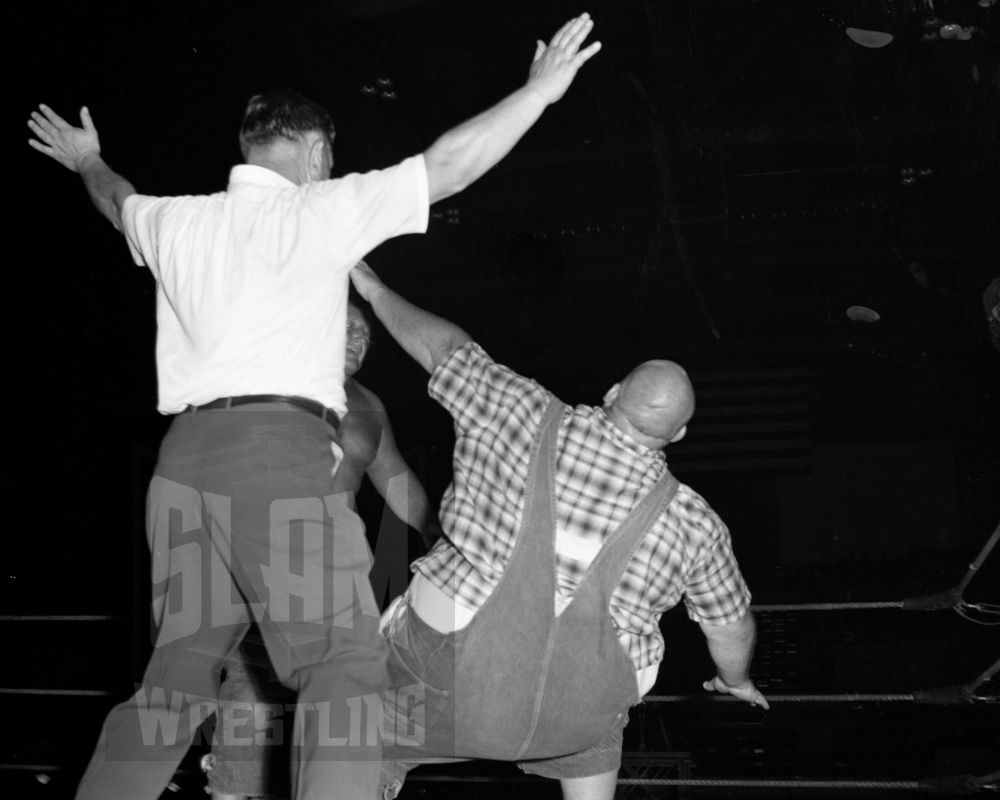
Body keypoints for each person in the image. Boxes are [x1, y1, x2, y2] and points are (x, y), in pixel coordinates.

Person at [26, 14, 601, 800]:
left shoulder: (179, 219)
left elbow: (115, 199)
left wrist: (86, 159)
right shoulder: (315, 209)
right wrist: (538, 93)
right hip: (279, 460)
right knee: (342, 663)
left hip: (183, 467)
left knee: (178, 674)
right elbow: (449, 167)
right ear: (317, 152)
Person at [347, 261, 769, 800]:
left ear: (614, 392)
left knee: (358, 741)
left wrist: (375, 288)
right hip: (573, 720)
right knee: (601, 727)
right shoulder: (696, 521)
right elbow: (730, 627)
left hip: (443, 681)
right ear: (678, 434)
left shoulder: (520, 410)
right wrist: (734, 681)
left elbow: (443, 347)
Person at [204, 302, 440, 800]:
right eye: (347, 327)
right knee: (255, 691)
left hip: (337, 576)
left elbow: (395, 478)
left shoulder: (368, 405)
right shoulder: (271, 379)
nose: (359, 338)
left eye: (366, 334)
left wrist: (436, 533)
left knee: (342, 702)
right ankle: (229, 789)